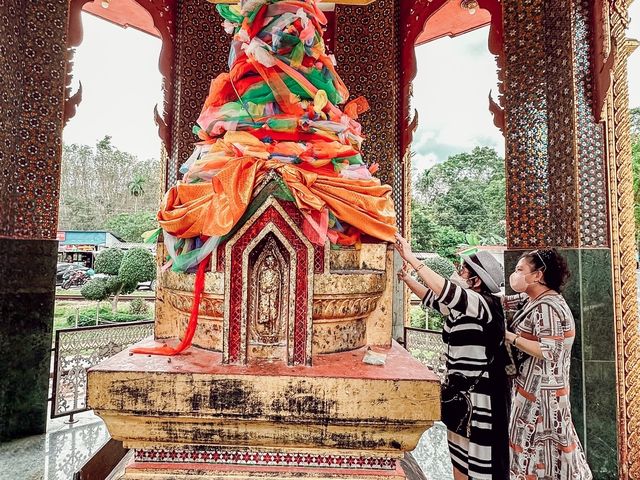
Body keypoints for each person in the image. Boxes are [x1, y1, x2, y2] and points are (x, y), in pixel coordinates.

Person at [395, 234, 509, 480]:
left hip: (481, 400)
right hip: (460, 397)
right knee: (458, 455)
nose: (458, 274)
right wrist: (406, 278)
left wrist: (411, 257)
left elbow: (445, 291)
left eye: (463, 271)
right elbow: (432, 298)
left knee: (480, 465)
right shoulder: (460, 308)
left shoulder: (482, 303)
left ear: (476, 281)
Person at [504, 249, 592, 479]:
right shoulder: (532, 299)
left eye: (520, 270)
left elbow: (548, 350)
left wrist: (509, 336)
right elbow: (502, 302)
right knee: (532, 447)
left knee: (541, 448)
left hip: (544, 395)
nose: (515, 275)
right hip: (531, 388)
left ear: (538, 275)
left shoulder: (548, 307)